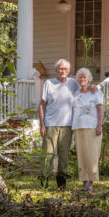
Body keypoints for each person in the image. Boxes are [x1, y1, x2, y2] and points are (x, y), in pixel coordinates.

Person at [38, 58, 79, 190]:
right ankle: (44, 180)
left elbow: (83, 93)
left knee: (64, 156)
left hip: (67, 125)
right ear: (56, 70)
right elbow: (42, 104)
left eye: (65, 69)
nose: (63, 71)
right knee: (48, 154)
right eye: (60, 69)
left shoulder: (73, 83)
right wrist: (42, 125)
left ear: (69, 70)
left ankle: (61, 183)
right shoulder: (49, 83)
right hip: (50, 124)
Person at [72, 68, 103, 193]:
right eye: (80, 77)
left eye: (84, 77)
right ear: (77, 79)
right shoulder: (75, 93)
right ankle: (84, 181)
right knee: (82, 156)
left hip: (92, 127)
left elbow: (100, 109)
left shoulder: (95, 91)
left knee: (92, 155)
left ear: (89, 79)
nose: (82, 79)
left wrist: (99, 125)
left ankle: (91, 182)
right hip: (78, 127)